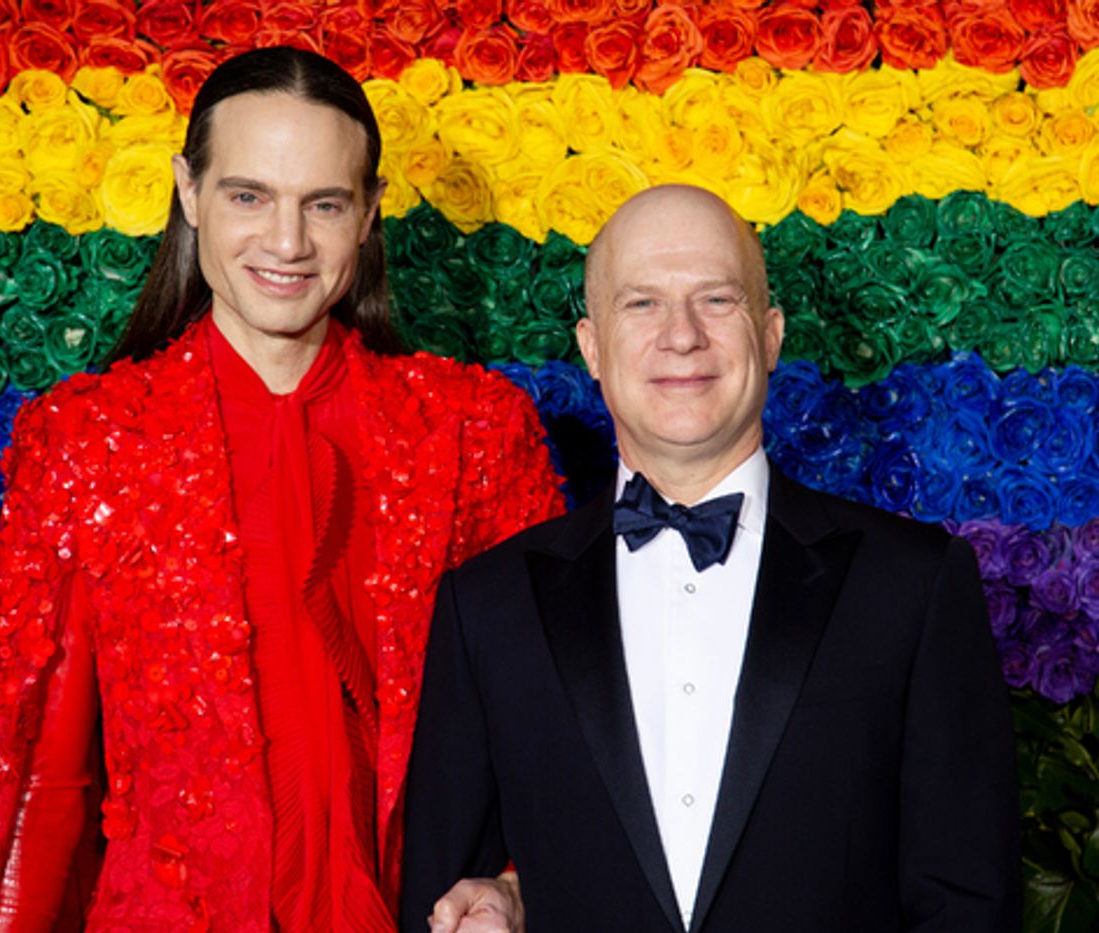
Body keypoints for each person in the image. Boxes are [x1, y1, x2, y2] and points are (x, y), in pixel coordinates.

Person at [0, 47, 562, 932]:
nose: (287, 242)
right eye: (249, 196)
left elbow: (550, 721)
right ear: (187, 193)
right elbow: (43, 779)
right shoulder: (87, 437)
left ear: (369, 214)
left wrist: (514, 884)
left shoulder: (473, 429)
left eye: (324, 203)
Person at [400, 185, 1021, 933]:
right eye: (642, 304)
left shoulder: (912, 586)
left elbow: (969, 905)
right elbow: (444, 901)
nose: (682, 335)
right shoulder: (487, 606)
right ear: (592, 348)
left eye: (716, 300)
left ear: (771, 334)